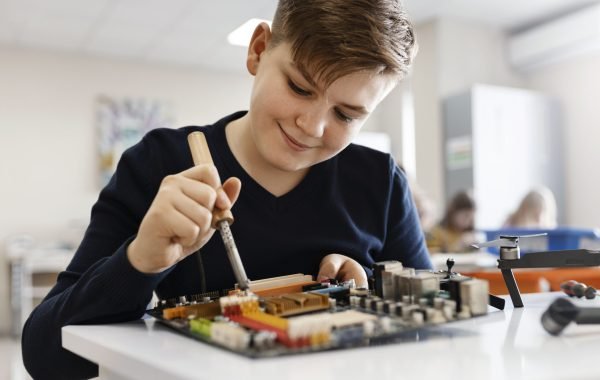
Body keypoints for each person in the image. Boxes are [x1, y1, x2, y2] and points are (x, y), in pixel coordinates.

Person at [22, 1, 432, 378]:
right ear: (258, 50)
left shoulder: (379, 181)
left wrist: (369, 293)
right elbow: (45, 357)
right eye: (299, 88)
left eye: (346, 114)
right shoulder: (157, 163)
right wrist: (138, 261)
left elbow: (439, 336)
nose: (312, 126)